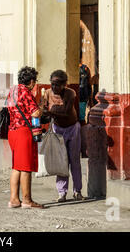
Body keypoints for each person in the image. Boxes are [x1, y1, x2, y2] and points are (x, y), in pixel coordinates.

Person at [41, 70, 84, 202]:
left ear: (65, 84)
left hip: (72, 128)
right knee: (61, 161)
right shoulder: (47, 93)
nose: (55, 88)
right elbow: (42, 109)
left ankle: (77, 191)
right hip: (58, 130)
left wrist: (50, 112)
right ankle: (62, 193)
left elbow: (66, 111)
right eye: (53, 84)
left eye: (58, 85)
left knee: (74, 160)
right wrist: (44, 111)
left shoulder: (70, 93)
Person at [6, 66, 44, 209]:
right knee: (26, 167)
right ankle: (27, 200)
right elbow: (35, 113)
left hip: (12, 131)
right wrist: (42, 105)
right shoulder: (25, 92)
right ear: (32, 81)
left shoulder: (13, 90)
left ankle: (14, 199)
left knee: (17, 166)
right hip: (23, 132)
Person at [79, 59, 93, 124]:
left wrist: (90, 100)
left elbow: (89, 85)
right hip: (82, 97)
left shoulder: (85, 69)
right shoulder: (85, 69)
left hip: (82, 97)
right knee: (81, 119)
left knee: (81, 119)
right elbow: (89, 85)